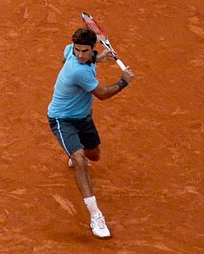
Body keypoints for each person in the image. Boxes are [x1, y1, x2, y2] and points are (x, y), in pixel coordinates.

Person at [47, 27, 134, 238]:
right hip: (62, 119)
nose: (79, 54)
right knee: (79, 159)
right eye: (77, 50)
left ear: (91, 48)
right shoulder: (80, 71)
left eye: (85, 51)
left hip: (84, 118)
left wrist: (97, 58)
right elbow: (103, 94)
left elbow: (68, 55)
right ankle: (96, 215)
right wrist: (124, 81)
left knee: (93, 155)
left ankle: (75, 150)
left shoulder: (70, 51)